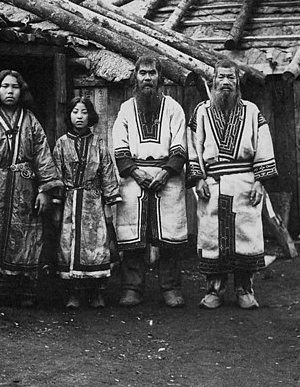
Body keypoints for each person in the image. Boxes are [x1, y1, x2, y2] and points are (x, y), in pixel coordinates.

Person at [187, 59, 278, 310]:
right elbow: (193, 147)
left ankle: (244, 289)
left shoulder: (251, 111)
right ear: (213, 81)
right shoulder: (202, 112)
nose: (225, 82)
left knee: (244, 236)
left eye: (231, 78)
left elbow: (263, 146)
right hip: (213, 185)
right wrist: (198, 178)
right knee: (212, 238)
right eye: (221, 77)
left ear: (238, 83)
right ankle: (214, 290)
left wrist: (260, 181)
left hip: (244, 184)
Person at [0, 69, 63, 307]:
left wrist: (44, 190)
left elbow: (43, 155)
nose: (10, 91)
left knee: (27, 234)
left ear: (21, 91)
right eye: (5, 86)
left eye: (14, 87)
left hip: (25, 188)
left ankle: (24, 290)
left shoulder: (30, 120)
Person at [111, 55, 189, 308]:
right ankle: (132, 288)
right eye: (142, 73)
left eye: (152, 73)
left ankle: (170, 288)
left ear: (160, 78)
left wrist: (165, 173)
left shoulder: (173, 108)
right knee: (133, 237)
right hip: (135, 179)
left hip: (167, 178)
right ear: (135, 77)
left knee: (169, 237)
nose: (147, 78)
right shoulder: (125, 109)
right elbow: (120, 147)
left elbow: (180, 146)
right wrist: (135, 172)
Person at [53, 96, 121, 309]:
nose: (79, 117)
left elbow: (108, 173)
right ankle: (74, 293)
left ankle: (97, 293)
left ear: (90, 115)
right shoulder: (61, 144)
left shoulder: (99, 144)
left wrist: (109, 204)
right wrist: (57, 201)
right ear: (69, 115)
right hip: (70, 203)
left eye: (83, 112)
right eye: (75, 112)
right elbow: (56, 173)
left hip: (93, 203)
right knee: (69, 246)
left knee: (97, 246)